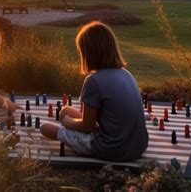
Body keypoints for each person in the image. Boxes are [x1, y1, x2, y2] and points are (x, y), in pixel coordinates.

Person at [40, 21, 148, 162]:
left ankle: (68, 128)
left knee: (45, 128)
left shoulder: (94, 81)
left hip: (112, 148)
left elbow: (87, 126)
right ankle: (68, 121)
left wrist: (68, 123)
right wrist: (70, 119)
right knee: (65, 110)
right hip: (139, 146)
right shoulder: (126, 74)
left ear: (88, 53)